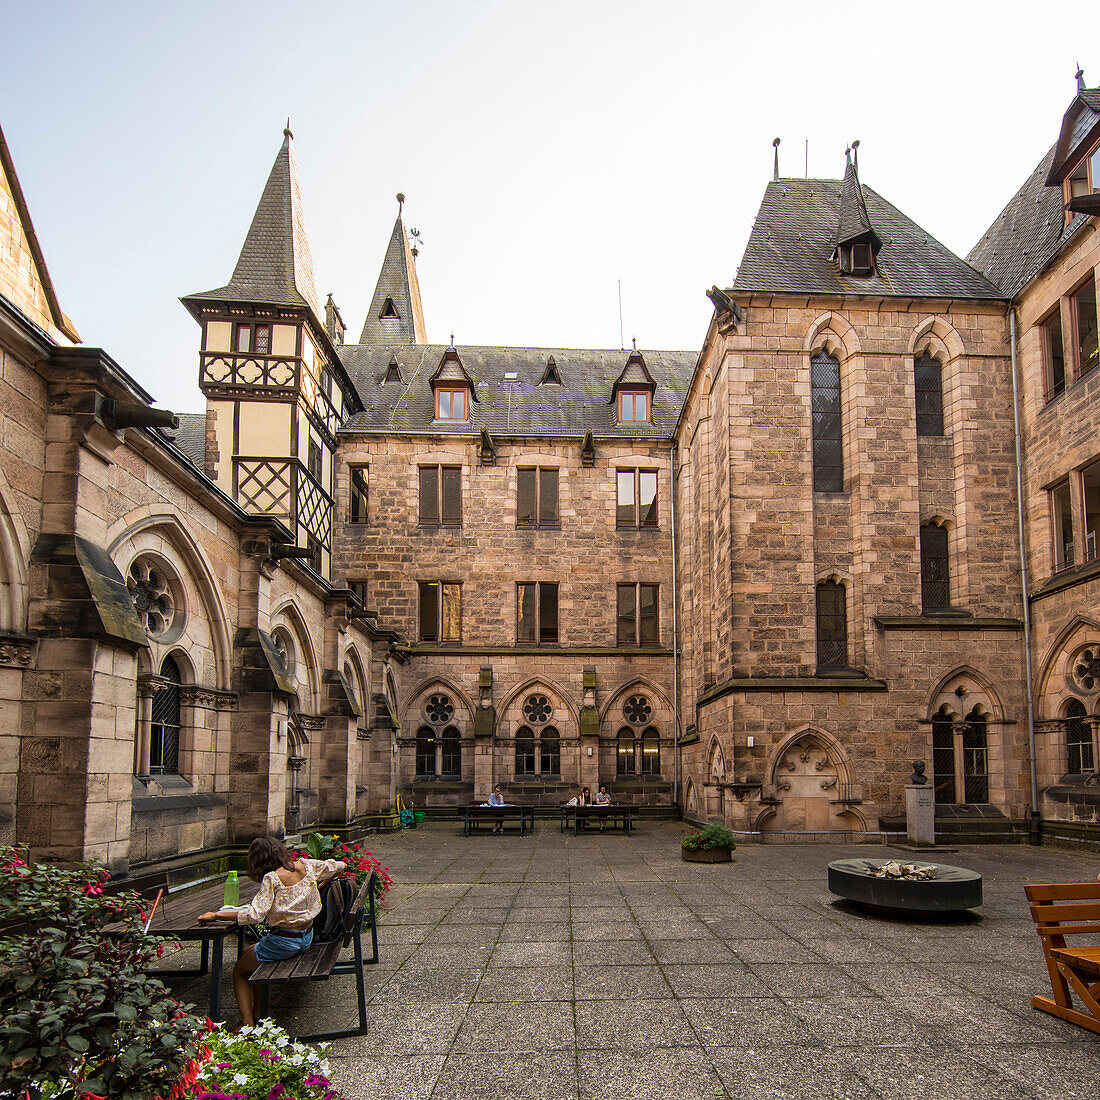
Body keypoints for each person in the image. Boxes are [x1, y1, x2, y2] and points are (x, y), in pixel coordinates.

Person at [198, 836, 345, 1027]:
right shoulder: (306, 866)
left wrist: (215, 915)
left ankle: (247, 1022)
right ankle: (258, 1011)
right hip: (306, 937)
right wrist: (321, 884)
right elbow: (339, 866)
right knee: (246, 953)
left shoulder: (272, 878)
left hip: (285, 942)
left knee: (239, 972)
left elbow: (254, 915)